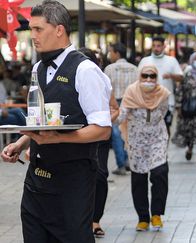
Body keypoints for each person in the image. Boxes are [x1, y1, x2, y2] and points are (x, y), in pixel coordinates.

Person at [1, 1, 112, 242]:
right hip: (36, 180)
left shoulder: (85, 71)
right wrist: (21, 143)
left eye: (39, 29)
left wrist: (60, 138)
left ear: (59, 30)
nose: (33, 36)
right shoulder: (38, 68)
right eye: (31, 29)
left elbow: (103, 130)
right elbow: (42, 121)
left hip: (72, 180)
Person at [118, 64, 170, 231]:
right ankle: (142, 217)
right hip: (136, 141)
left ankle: (156, 214)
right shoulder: (131, 92)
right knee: (139, 179)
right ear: (140, 76)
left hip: (157, 139)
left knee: (160, 173)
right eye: (145, 76)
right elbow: (122, 115)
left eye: (152, 76)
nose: (148, 79)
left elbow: (163, 111)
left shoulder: (162, 93)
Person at [79, 47, 120, 238]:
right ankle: (80, 219)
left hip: (100, 137)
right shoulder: (76, 80)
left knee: (100, 175)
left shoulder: (102, 80)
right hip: (80, 137)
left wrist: (104, 121)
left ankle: (95, 220)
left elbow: (115, 108)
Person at [138, 36, 184, 137]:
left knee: (165, 128)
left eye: (158, 46)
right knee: (149, 129)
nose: (156, 48)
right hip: (148, 102)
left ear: (164, 46)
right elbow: (137, 80)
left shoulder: (171, 60)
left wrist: (171, 75)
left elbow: (181, 77)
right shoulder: (145, 61)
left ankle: (163, 151)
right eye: (154, 46)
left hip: (167, 102)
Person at [103, 42, 137, 176]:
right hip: (132, 103)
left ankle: (121, 164)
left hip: (115, 103)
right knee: (130, 132)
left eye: (111, 52)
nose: (109, 55)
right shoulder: (135, 68)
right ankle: (129, 160)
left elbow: (105, 90)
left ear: (117, 53)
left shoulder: (110, 69)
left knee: (116, 134)